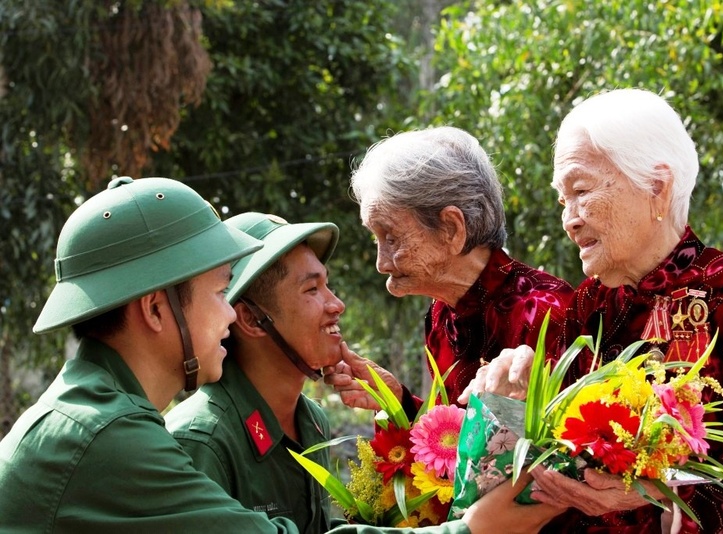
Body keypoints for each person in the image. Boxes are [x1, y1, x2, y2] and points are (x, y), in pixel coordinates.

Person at [0, 176, 559, 534]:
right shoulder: (112, 437)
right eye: (220, 293)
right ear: (153, 310)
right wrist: (475, 531)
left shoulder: (105, 414)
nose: (227, 313)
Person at [465, 88, 723, 533]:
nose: (569, 218)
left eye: (581, 190)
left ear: (656, 189)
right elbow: (559, 457)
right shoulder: (589, 306)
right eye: (563, 199)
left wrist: (658, 492)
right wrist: (516, 399)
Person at [324, 126, 573, 415]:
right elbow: (457, 437)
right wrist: (396, 400)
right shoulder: (443, 316)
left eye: (391, 238)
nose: (381, 263)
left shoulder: (543, 313)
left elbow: (554, 453)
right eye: (375, 238)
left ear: (451, 228)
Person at [166, 212, 346, 533]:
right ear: (250, 319)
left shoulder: (313, 421)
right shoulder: (203, 441)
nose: (336, 304)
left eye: (327, 285)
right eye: (312, 290)